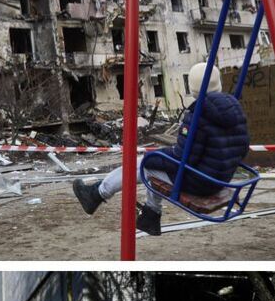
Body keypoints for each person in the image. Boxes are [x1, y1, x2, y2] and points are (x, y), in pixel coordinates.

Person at [72, 65, 251, 235]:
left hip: (200, 183)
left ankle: (97, 194)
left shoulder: (198, 115)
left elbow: (183, 158)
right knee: (155, 164)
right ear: (218, 83)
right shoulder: (235, 110)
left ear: (192, 88)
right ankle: (150, 214)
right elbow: (242, 148)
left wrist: (154, 156)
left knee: (144, 165)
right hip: (221, 179)